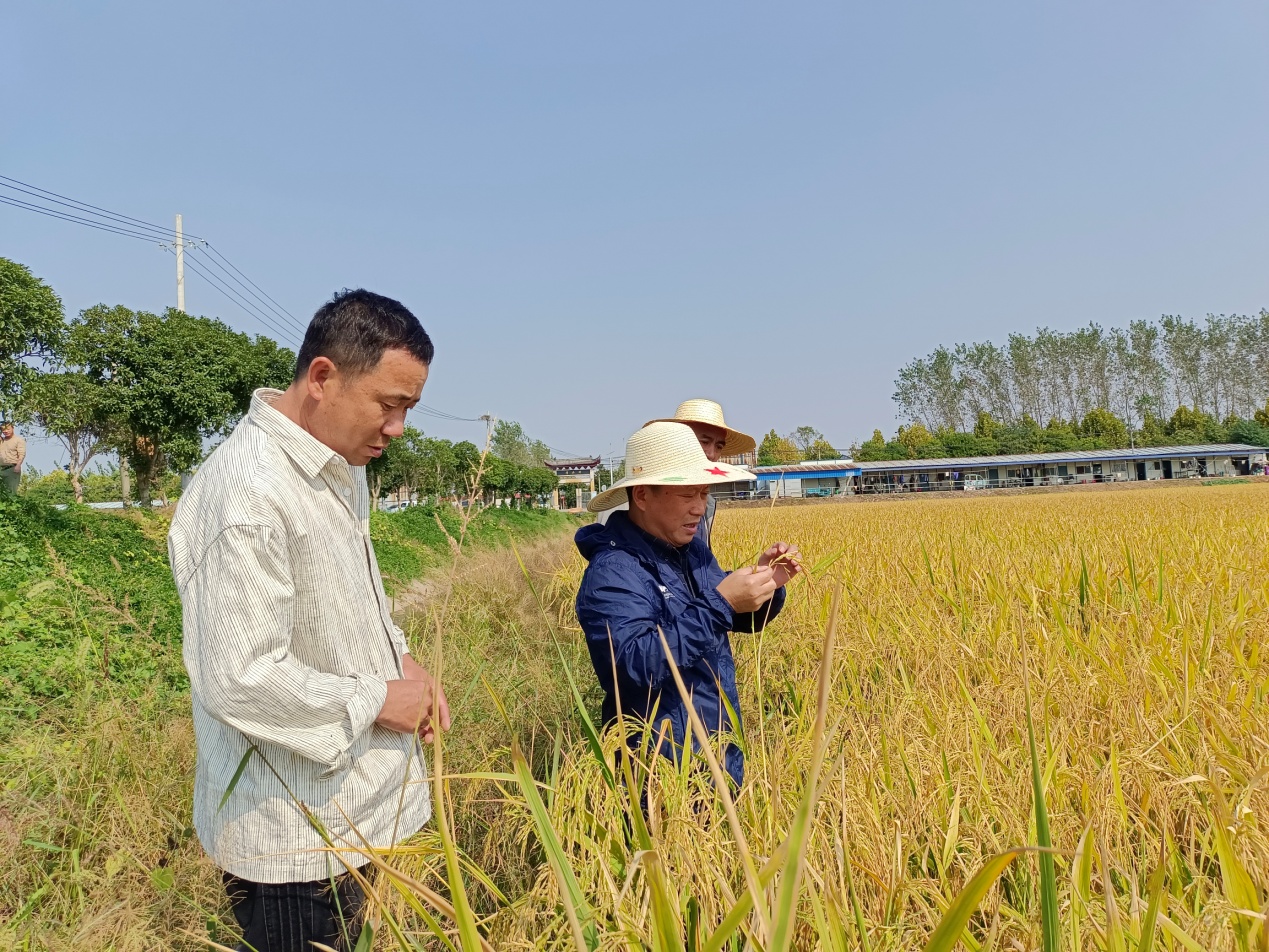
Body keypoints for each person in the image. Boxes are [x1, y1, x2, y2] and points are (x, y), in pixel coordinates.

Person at [167, 289, 450, 952]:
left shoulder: (335, 468)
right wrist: (381, 697)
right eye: (389, 404)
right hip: (295, 837)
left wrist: (400, 659)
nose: (398, 427)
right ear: (322, 377)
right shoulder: (246, 493)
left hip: (351, 810)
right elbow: (239, 677)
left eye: (408, 407)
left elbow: (353, 599)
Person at [575, 421, 800, 788]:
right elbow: (633, 668)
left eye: (704, 493)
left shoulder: (691, 551)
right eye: (687, 495)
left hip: (717, 751)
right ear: (643, 495)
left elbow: (736, 617)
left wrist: (765, 584)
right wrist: (720, 604)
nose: (699, 508)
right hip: (660, 772)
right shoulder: (613, 574)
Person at [598, 398, 756, 548]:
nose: (711, 454)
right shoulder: (627, 498)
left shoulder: (705, 503)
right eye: (703, 442)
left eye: (719, 446)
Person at [0, 422, 25, 494]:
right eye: (3, 430)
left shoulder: (18, 440)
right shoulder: (2, 440)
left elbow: (21, 454)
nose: (5, 431)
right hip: (1, 468)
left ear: (12, 428)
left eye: (8, 429)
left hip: (12, 468)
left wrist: (18, 465)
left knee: (11, 492)